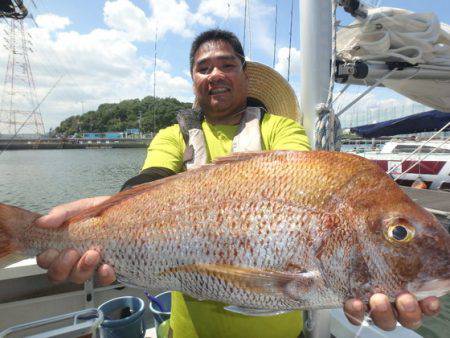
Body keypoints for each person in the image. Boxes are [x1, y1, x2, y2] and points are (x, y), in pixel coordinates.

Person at [35, 29, 441, 337]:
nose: (216, 73)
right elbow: (151, 180)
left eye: (227, 64)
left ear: (245, 75)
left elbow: (301, 173)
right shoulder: (172, 136)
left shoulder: (280, 130)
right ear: (194, 79)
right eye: (204, 67)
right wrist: (97, 217)